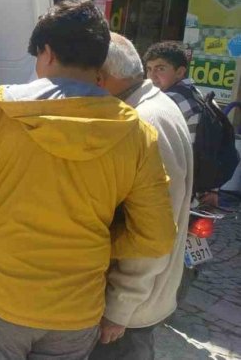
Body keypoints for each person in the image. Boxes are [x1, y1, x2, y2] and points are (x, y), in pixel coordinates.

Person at [0, 0, 176, 360]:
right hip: (75, 310)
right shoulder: (137, 132)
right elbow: (156, 237)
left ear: (46, 52)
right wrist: (101, 245)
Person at [91, 33, 194, 360]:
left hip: (128, 311)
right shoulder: (155, 104)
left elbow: (150, 231)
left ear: (101, 76)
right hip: (140, 301)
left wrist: (120, 307)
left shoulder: (143, 121)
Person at [143, 41, 219, 207]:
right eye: (149, 69)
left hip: (173, 191)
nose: (152, 76)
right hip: (200, 190)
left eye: (160, 68)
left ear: (180, 72)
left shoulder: (166, 101)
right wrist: (213, 189)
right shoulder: (201, 96)